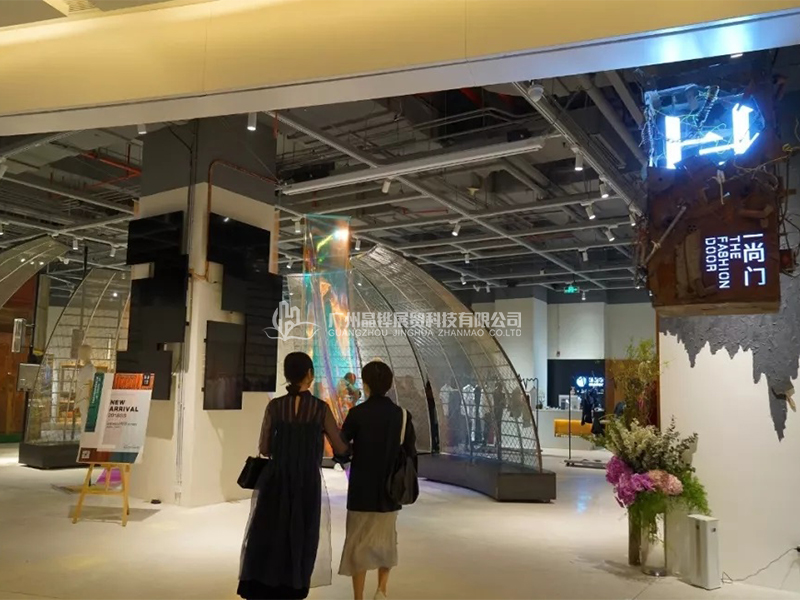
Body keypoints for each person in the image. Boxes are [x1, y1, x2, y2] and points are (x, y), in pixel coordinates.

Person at [238, 352, 349, 600]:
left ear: (287, 375)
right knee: (302, 534)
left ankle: (265, 587)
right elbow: (340, 447)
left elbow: (265, 447)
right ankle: (294, 585)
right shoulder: (320, 409)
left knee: (270, 532)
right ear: (309, 374)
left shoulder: (275, 406)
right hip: (306, 481)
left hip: (276, 479)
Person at [339, 361, 417, 600]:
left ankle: (358, 597)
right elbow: (411, 452)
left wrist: (349, 453)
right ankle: (382, 590)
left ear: (366, 384)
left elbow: (342, 447)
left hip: (361, 490)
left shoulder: (357, 414)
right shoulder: (402, 415)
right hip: (390, 491)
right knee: (386, 541)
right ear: (390, 384)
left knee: (357, 544)